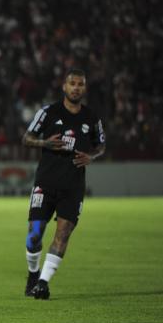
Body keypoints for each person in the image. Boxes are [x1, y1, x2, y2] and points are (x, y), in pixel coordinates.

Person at [22, 68, 106, 299]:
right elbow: (26, 138)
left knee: (63, 233)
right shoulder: (48, 112)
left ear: (84, 88)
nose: (76, 87)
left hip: (73, 186)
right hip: (45, 182)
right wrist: (45, 143)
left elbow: (100, 145)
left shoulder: (92, 118)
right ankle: (32, 273)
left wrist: (92, 156)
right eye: (73, 84)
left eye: (80, 84)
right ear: (64, 87)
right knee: (34, 235)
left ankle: (43, 283)